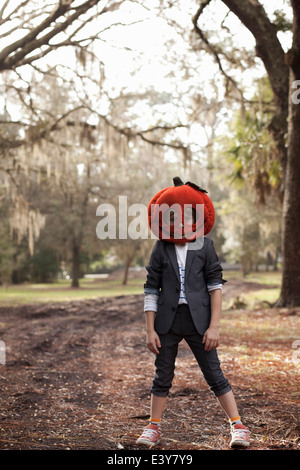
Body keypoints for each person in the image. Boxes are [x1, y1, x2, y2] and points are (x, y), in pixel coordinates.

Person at [136, 201, 250, 449]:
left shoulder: (205, 245)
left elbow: (215, 287)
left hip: (200, 322)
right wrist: (150, 329)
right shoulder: (161, 247)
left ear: (193, 223)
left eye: (185, 220)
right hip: (167, 322)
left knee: (214, 373)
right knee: (162, 375)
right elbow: (151, 289)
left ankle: (238, 426)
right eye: (174, 221)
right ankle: (153, 426)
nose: (180, 225)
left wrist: (215, 327)